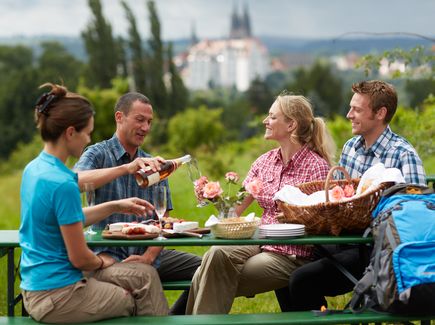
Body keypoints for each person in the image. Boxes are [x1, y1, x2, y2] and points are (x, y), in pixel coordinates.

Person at [19, 83, 169, 324]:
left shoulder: (34, 169)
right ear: (70, 132)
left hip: (33, 286)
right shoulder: (63, 183)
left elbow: (69, 216)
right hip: (60, 294)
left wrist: (115, 205)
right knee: (134, 294)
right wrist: (103, 261)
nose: (88, 139)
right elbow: (80, 259)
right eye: (87, 132)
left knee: (143, 276)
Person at [276, 80, 427, 312]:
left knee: (300, 279)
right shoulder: (351, 148)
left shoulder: (403, 154)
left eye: (357, 109)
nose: (348, 115)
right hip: (341, 239)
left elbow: (417, 215)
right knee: (283, 268)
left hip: (375, 250)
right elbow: (342, 199)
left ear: (380, 113)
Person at [185, 93, 336, 314]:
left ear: (291, 125)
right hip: (259, 240)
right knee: (215, 254)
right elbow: (235, 208)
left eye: (272, 117)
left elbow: (322, 222)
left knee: (208, 275)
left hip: (291, 253)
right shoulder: (264, 162)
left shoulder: (316, 167)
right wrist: (213, 197)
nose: (265, 121)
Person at [74, 92, 201, 315]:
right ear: (119, 117)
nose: (146, 127)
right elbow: (73, 182)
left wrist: (149, 257)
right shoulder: (97, 153)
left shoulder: (154, 164)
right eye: (139, 119)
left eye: (149, 122)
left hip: (148, 253)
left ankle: (174, 317)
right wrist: (126, 168)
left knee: (207, 269)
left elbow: (164, 221)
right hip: (109, 254)